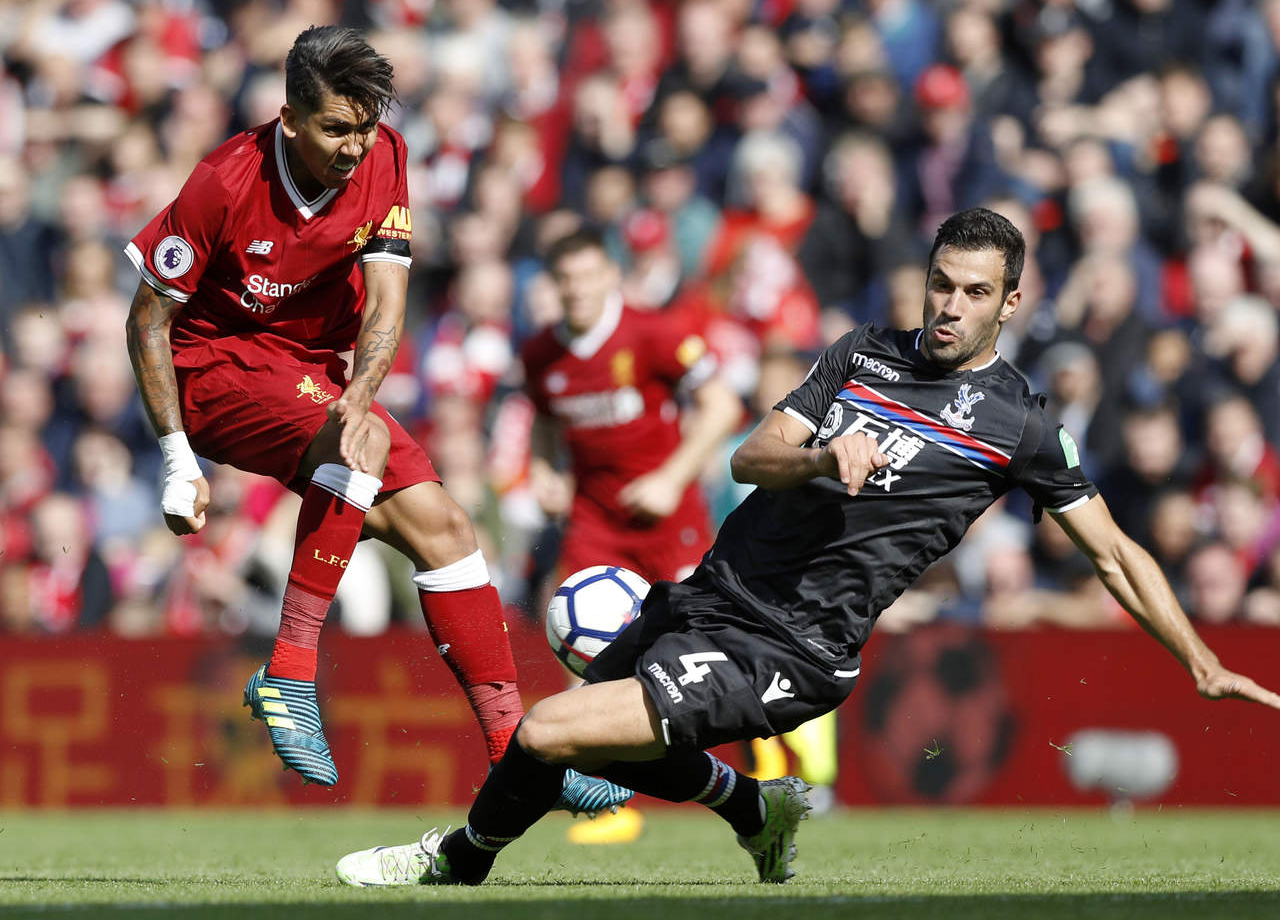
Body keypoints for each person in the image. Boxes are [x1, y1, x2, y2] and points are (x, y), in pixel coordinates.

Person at [334, 208, 1280, 887]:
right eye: (941, 284)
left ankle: (451, 865)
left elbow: (1115, 554)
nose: (950, 306)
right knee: (586, 750)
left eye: (975, 293)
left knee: (547, 732)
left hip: (793, 645)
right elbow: (751, 456)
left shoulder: (1019, 425)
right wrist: (824, 456)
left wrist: (1199, 659)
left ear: (1011, 302)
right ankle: (756, 809)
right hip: (712, 593)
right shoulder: (861, 354)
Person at [122, 26, 628, 816]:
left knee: (447, 529)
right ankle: (290, 670)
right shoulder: (222, 182)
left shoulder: (386, 155)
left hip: (313, 370)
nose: (353, 147)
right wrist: (176, 459)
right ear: (289, 118)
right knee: (361, 446)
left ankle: (520, 759)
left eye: (363, 126)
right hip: (214, 366)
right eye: (335, 129)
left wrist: (357, 398)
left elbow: (388, 300)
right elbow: (146, 321)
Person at [522, 227, 742, 842]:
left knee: (698, 654)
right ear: (554, 286)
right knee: (579, 651)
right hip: (595, 523)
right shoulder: (540, 353)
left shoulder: (653, 333)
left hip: (670, 522)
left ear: (611, 276)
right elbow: (544, 420)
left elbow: (723, 407)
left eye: (588, 276)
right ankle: (607, 805)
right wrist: (544, 469)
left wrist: (671, 479)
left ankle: (749, 776)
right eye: (566, 280)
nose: (577, 290)